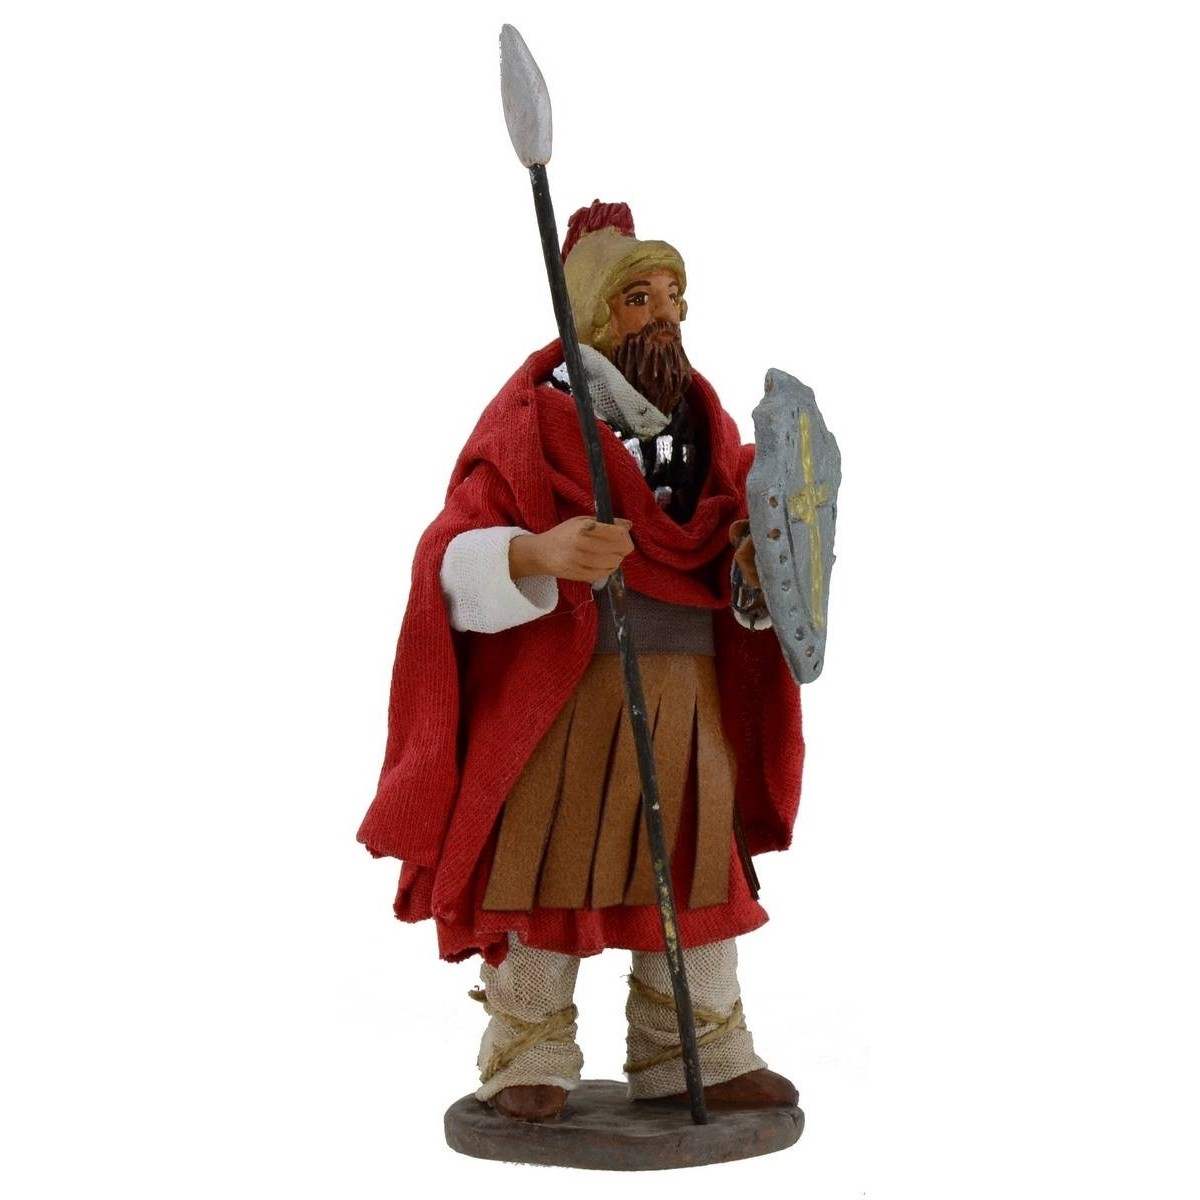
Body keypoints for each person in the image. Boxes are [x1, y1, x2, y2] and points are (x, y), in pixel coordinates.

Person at [358, 201, 805, 1122]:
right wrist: (538, 554)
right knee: (545, 870)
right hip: (569, 694)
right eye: (641, 298)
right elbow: (448, 557)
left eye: (674, 295)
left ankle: (699, 1049)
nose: (666, 316)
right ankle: (528, 1050)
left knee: (697, 879)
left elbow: (737, 541)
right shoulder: (533, 425)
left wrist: (758, 560)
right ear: (596, 313)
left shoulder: (705, 423)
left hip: (687, 693)